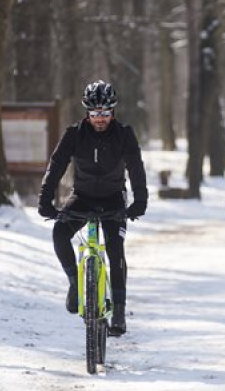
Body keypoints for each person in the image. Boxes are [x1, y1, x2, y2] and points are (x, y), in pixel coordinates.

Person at [38, 80, 148, 337]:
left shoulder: (124, 134)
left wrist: (139, 202)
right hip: (83, 197)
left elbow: (136, 169)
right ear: (87, 112)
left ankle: (119, 310)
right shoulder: (74, 134)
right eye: (95, 113)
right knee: (59, 233)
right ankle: (76, 283)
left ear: (113, 112)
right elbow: (56, 165)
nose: (100, 119)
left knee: (114, 249)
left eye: (106, 113)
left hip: (113, 199)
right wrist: (45, 201)